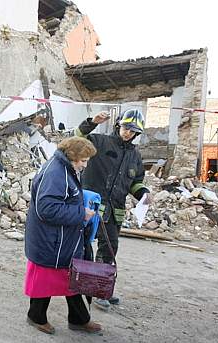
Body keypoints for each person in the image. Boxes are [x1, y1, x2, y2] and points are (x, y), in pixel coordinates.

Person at [24, 136, 102, 335]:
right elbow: (46, 209)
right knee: (51, 279)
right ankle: (37, 316)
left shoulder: (65, 169)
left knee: (70, 277)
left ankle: (78, 319)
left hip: (58, 240)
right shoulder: (56, 173)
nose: (85, 165)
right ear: (72, 156)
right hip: (52, 241)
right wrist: (80, 213)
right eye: (83, 161)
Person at [75, 108, 151, 311]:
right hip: (90, 207)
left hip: (114, 211)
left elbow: (135, 182)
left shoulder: (135, 156)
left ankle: (102, 289)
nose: (128, 133)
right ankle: (83, 286)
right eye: (126, 127)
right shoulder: (99, 142)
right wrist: (92, 121)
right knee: (82, 247)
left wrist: (143, 193)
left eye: (133, 130)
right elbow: (77, 139)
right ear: (119, 125)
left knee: (109, 249)